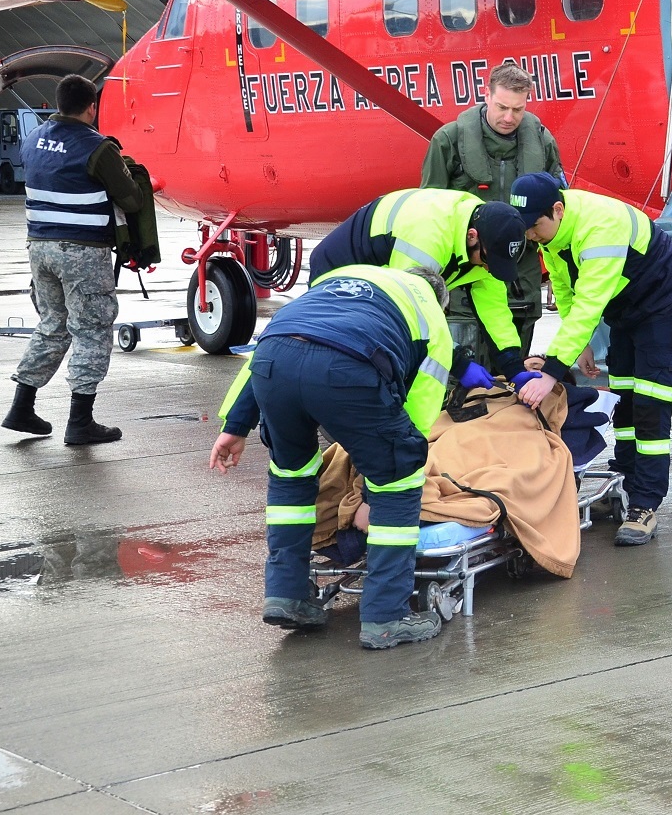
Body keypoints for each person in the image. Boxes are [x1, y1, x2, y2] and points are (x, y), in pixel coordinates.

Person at [207, 263, 461, 649]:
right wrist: (374, 496)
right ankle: (387, 617)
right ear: (440, 301)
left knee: (291, 474)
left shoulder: (349, 276)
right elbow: (416, 423)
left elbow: (271, 348)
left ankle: (286, 594)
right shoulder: (431, 320)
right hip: (347, 368)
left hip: (274, 360)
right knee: (401, 477)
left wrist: (235, 426)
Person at [509, 173, 672, 546]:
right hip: (625, 310)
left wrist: (552, 371)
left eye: (534, 228)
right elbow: (564, 286)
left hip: (663, 307)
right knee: (624, 400)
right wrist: (583, 344)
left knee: (651, 404)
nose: (531, 236)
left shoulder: (600, 227)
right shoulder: (553, 232)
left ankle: (645, 504)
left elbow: (590, 302)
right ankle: (626, 480)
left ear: (557, 210)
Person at [2, 73, 143, 445]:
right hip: (81, 253)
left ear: (59, 102)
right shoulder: (97, 148)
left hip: (39, 248)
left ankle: (22, 407)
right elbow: (131, 200)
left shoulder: (34, 139)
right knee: (93, 329)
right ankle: (80, 421)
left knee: (53, 324)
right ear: (92, 106)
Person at [307, 188, 532, 385]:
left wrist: (512, 364)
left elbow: (494, 311)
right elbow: (412, 312)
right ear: (472, 237)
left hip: (388, 280)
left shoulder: (487, 239)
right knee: (361, 357)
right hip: (340, 276)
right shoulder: (427, 241)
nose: (487, 269)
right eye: (485, 261)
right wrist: (459, 364)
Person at [420, 63, 563, 355]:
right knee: (461, 375)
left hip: (520, 274)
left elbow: (557, 211)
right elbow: (428, 213)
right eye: (502, 107)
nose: (509, 117)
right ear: (486, 94)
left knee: (512, 375)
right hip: (465, 276)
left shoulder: (543, 142)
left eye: (518, 110)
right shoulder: (448, 141)